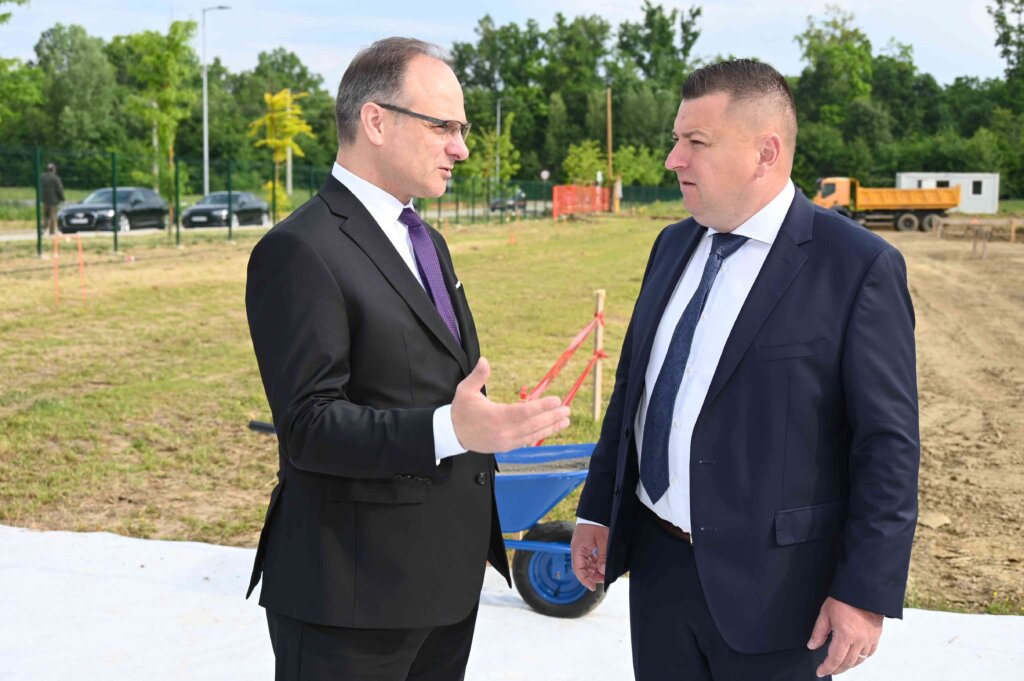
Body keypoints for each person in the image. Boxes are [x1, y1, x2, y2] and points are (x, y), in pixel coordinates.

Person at [571, 59, 919, 680]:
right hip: (659, 572)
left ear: (766, 153)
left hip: (780, 594)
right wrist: (599, 511)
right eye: (676, 139)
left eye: (696, 142)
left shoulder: (856, 267)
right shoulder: (672, 245)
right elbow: (633, 393)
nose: (674, 159)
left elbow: (887, 446)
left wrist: (864, 592)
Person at [245, 37, 570, 681]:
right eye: (443, 126)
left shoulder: (425, 238)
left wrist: (476, 424)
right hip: (352, 602)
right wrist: (451, 429)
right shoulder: (300, 250)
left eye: (462, 129)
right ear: (376, 121)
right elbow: (308, 425)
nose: (461, 147)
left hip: (443, 585)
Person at [41, 163, 65, 236]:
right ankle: (52, 231)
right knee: (53, 216)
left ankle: (43, 229)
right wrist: (62, 198)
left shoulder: (43, 177)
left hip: (44, 200)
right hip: (53, 200)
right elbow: (59, 189)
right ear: (54, 169)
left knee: (45, 216)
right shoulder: (55, 178)